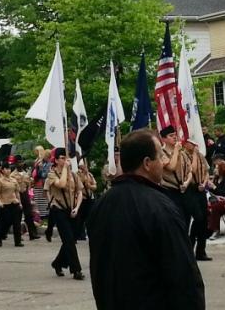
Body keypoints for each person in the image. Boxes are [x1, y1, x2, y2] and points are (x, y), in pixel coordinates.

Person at [88, 129, 205, 309]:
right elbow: (182, 273)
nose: (162, 163)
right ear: (147, 163)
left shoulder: (101, 204)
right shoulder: (160, 206)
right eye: (160, 157)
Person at [46, 147, 84, 280]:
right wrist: (65, 169)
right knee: (68, 240)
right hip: (59, 210)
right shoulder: (52, 174)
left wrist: (77, 208)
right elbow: (61, 184)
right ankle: (76, 270)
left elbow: (80, 191)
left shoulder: (73, 175)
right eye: (62, 158)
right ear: (56, 160)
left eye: (65, 157)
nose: (65, 160)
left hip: (72, 210)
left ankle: (58, 263)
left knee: (72, 239)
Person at [184, 139, 212, 261]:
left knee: (204, 220)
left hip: (201, 188)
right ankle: (190, 246)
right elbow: (193, 170)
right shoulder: (184, 155)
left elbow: (206, 171)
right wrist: (195, 154)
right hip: (191, 189)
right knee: (198, 218)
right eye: (191, 143)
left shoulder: (200, 156)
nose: (194, 145)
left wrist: (204, 183)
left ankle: (201, 251)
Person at [159, 126, 191, 221]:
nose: (174, 137)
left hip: (183, 189)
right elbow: (171, 167)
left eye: (175, 135)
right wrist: (176, 150)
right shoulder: (161, 153)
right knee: (177, 218)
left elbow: (189, 171)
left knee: (187, 217)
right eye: (171, 135)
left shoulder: (182, 153)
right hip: (169, 190)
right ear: (164, 139)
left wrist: (187, 182)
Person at [0, 165, 24, 247]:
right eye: (6, 169)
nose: (8, 170)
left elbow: (17, 192)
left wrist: (20, 203)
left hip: (14, 203)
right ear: (2, 171)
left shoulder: (14, 180)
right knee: (5, 223)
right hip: (5, 204)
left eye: (9, 169)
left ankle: (17, 241)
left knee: (17, 224)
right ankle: (0, 237)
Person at [75, 160, 97, 241]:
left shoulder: (90, 175)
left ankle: (90, 234)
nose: (85, 167)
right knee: (80, 218)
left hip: (90, 199)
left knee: (90, 217)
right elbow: (80, 184)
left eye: (86, 166)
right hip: (82, 199)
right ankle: (79, 234)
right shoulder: (77, 175)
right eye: (84, 166)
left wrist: (90, 186)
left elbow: (95, 186)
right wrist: (84, 175)